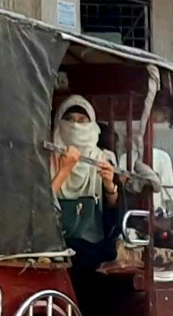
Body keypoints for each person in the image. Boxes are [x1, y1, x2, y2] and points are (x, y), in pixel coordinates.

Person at [51, 95, 119, 273]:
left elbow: (111, 218)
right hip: (53, 244)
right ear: (59, 122)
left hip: (91, 246)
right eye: (69, 119)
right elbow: (38, 208)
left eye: (82, 121)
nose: (75, 125)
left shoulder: (101, 159)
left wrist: (109, 185)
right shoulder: (47, 158)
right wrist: (64, 170)